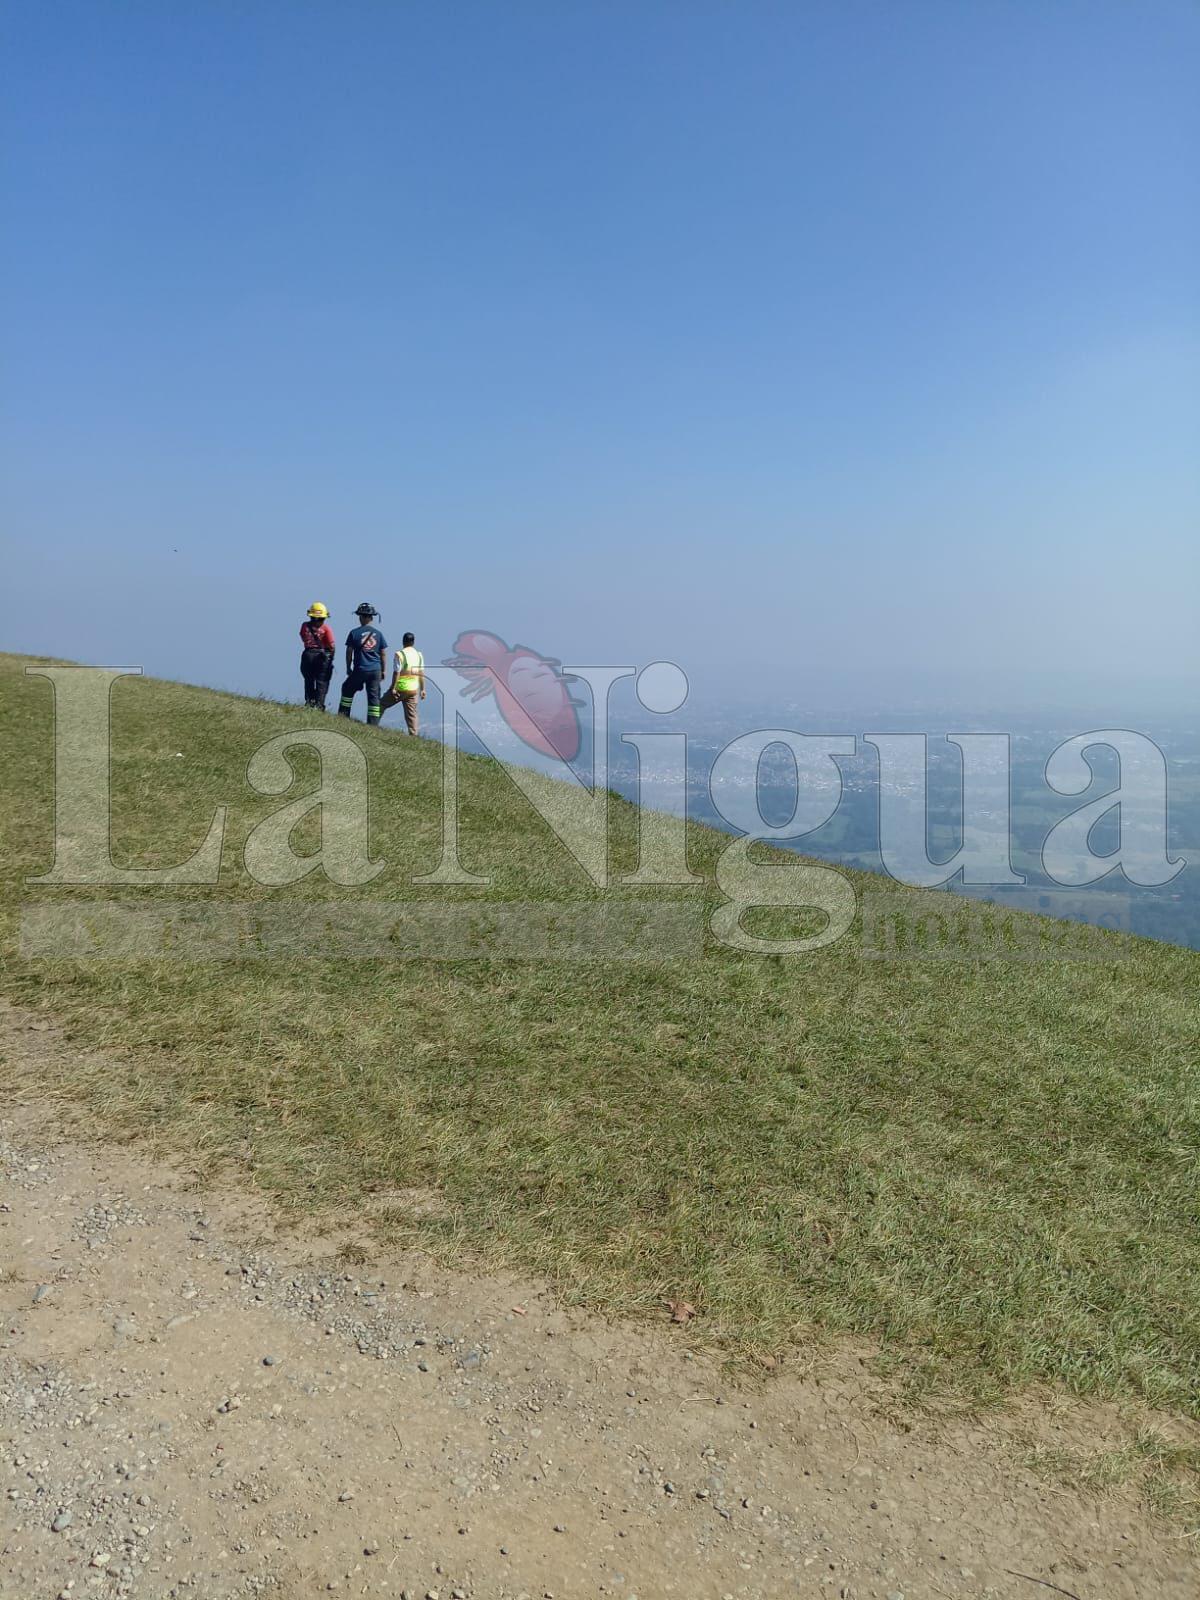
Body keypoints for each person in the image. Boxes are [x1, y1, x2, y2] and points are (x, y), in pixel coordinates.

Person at [338, 603, 388, 725]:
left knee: (347, 688)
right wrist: (383, 670)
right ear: (372, 617)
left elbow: (349, 652)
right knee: (374, 697)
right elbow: (383, 653)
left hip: (360, 669)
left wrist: (348, 667)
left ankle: (343, 716)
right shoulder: (379, 634)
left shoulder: (354, 633)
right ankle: (373, 724)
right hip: (375, 670)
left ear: (361, 617)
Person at [381, 631, 426, 734]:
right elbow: (421, 673)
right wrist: (423, 689)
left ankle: (372, 724)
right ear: (413, 642)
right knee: (412, 715)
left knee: (381, 705)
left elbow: (396, 673)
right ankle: (414, 736)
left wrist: (393, 688)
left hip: (400, 688)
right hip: (413, 689)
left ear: (403, 642)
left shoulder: (400, 654)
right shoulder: (419, 655)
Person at [299, 602, 336, 710]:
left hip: (307, 655)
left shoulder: (305, 626)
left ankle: (309, 702)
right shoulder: (326, 628)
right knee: (322, 682)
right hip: (321, 656)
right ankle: (319, 705)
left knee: (308, 680)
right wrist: (331, 658)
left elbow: (303, 637)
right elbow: (331, 646)